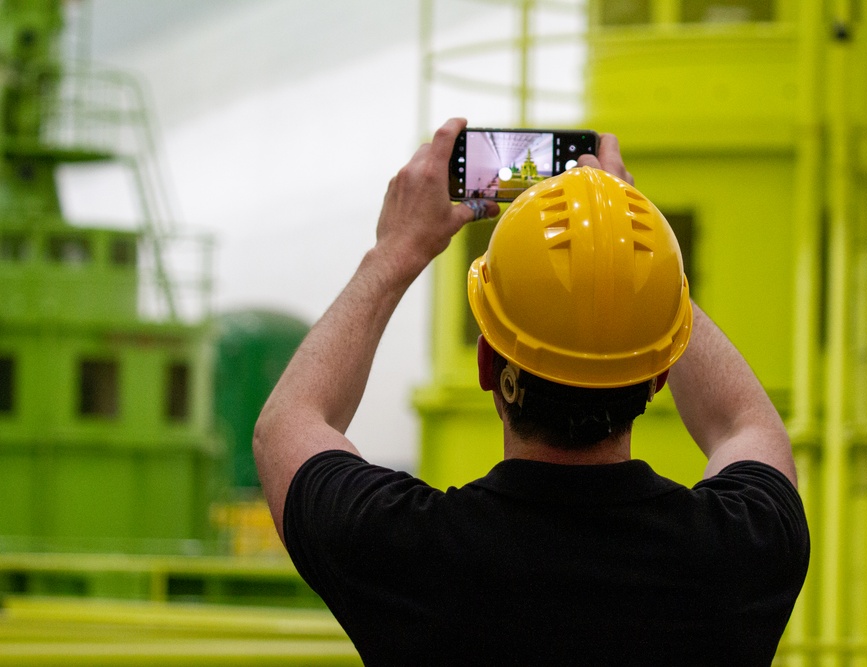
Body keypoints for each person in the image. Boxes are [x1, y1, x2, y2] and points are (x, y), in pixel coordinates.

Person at [253, 118, 809, 666]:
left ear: (487, 363)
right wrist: (627, 261)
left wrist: (395, 252)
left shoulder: (406, 551)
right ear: (659, 374)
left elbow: (287, 424)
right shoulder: (746, 550)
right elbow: (747, 425)